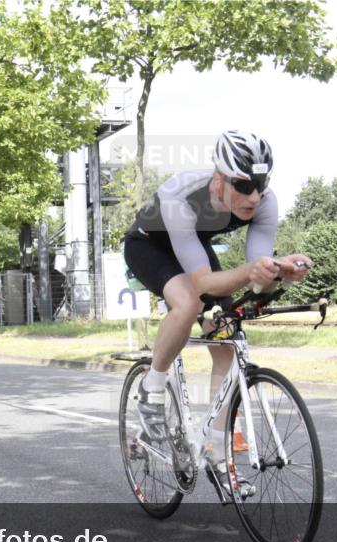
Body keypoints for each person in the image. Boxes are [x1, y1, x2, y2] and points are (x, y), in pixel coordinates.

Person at [123, 130, 312, 479]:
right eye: (243, 186)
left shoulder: (265, 203)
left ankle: (214, 444)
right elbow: (202, 283)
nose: (254, 196)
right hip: (149, 247)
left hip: (192, 246)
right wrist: (254, 271)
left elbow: (255, 275)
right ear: (219, 179)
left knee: (226, 337)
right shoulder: (181, 196)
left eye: (261, 183)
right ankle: (152, 391)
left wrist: (281, 272)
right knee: (188, 303)